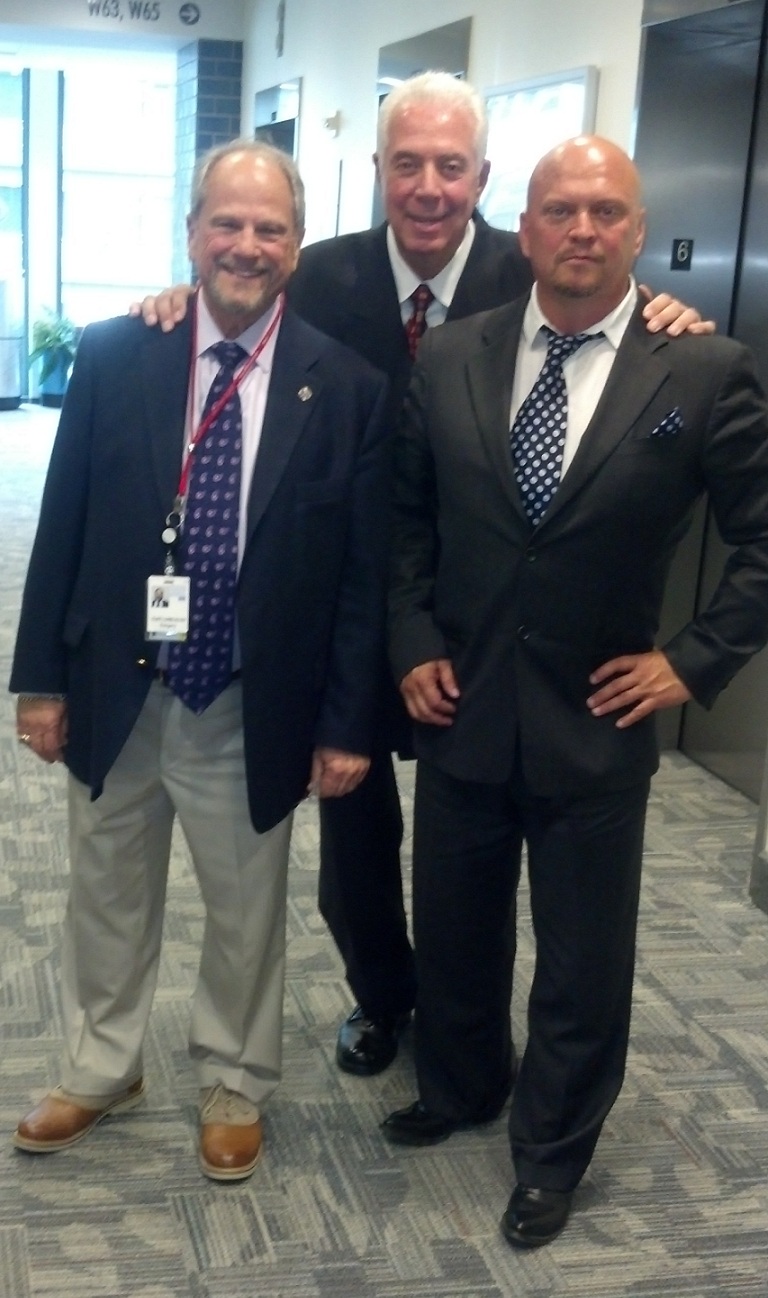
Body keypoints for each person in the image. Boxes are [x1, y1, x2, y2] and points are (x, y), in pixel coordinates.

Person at [137, 72, 712, 1081]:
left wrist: (661, 300)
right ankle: (386, 997)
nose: (431, 186)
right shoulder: (316, 271)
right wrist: (178, 297)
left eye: (453, 165)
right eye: (409, 162)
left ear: (484, 178)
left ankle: (473, 1018)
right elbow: (230, 300)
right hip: (345, 606)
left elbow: (612, 327)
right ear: (378, 171)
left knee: (477, 843)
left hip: (493, 623)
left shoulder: (536, 265)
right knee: (354, 828)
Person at [385, 135, 768, 1248]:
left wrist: (692, 662)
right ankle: (460, 1083)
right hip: (461, 700)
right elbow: (406, 519)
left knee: (582, 956)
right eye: (561, 210)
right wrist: (410, 636)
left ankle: (552, 1148)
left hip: (600, 717)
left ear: (640, 230)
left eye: (607, 211)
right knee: (452, 927)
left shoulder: (700, 368)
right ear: (525, 227)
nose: (584, 229)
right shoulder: (452, 354)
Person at [10, 140, 389, 1181]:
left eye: (270, 228)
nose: (247, 245)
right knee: (106, 891)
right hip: (117, 688)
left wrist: (347, 722)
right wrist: (39, 677)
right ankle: (101, 1062)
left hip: (245, 695)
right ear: (191, 233)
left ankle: (234, 1076)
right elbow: (66, 523)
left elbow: (362, 577)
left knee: (244, 904)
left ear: (297, 246)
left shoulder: (343, 386)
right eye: (227, 222)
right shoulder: (115, 351)